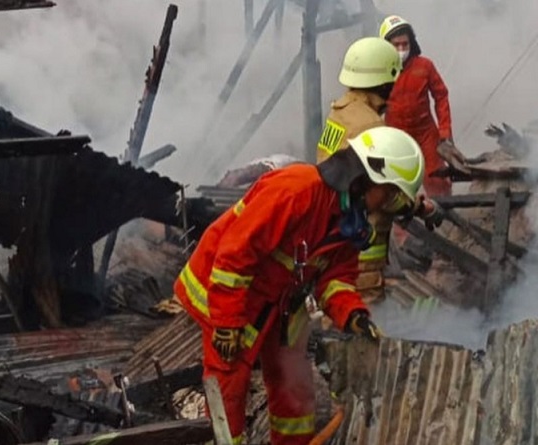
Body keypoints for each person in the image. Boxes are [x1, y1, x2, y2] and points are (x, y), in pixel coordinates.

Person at [174, 126, 426, 445]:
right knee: (228, 390)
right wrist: (226, 323)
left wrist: (354, 316)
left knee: (295, 388)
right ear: (370, 176)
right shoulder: (297, 190)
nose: (388, 205)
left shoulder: (350, 219)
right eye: (390, 194)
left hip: (281, 301)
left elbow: (335, 280)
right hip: (231, 294)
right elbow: (235, 253)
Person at [316, 36, 402, 304]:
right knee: (360, 310)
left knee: (335, 297)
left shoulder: (340, 112)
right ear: (384, 80)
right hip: (362, 246)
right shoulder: (371, 127)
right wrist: (416, 206)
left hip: (334, 230)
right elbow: (383, 191)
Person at [379, 14, 467, 197]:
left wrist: (445, 133)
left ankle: (445, 221)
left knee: (437, 180)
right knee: (397, 186)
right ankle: (403, 226)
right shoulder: (379, 71)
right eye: (396, 45)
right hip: (397, 137)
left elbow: (441, 95)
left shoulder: (425, 66)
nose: (402, 49)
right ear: (386, 46)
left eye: (405, 44)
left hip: (426, 134)